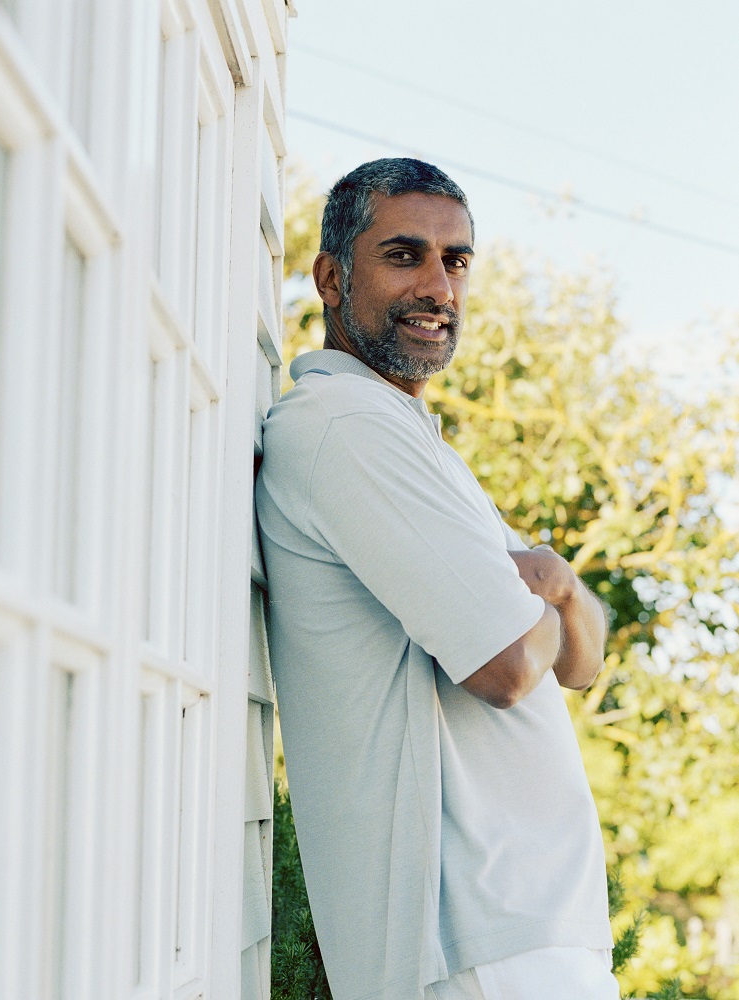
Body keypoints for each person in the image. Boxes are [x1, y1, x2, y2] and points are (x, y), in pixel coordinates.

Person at [255, 158, 618, 1000]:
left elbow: (580, 662)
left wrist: (558, 589)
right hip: (470, 935)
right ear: (330, 278)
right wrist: (541, 600)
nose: (437, 286)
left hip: (524, 932)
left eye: (455, 262)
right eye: (403, 255)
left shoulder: (411, 441)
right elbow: (509, 668)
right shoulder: (344, 428)